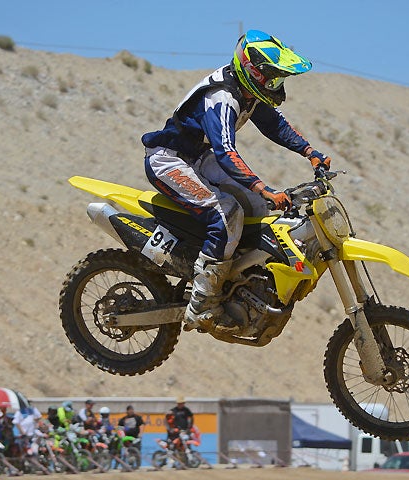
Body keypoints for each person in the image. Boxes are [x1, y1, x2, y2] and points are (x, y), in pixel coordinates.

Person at [141, 29, 332, 331]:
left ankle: (239, 282)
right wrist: (263, 187)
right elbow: (227, 152)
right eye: (273, 78)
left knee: (257, 206)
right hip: (170, 159)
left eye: (279, 79)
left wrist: (311, 152)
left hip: (201, 158)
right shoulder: (222, 98)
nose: (276, 85)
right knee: (226, 212)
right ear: (253, 72)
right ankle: (202, 303)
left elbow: (276, 126)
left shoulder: (249, 92)